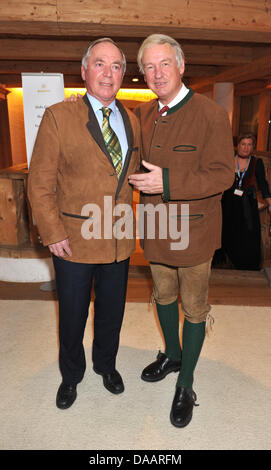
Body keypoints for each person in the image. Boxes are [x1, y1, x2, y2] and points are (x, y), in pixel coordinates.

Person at [128, 34, 235, 428]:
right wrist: (76, 109)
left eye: (164, 64)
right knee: (162, 294)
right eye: (149, 67)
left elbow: (223, 174)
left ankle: (186, 382)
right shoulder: (140, 114)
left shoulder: (209, 114)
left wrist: (168, 183)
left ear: (181, 65)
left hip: (195, 233)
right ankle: (172, 356)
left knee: (193, 307)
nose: (157, 74)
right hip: (155, 229)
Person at [27, 38, 140, 409]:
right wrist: (53, 232)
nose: (108, 73)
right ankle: (71, 376)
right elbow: (39, 183)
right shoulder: (59, 116)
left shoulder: (134, 121)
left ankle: (106, 365)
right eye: (100, 64)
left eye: (116, 66)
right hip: (72, 241)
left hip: (118, 241)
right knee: (72, 316)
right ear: (84, 71)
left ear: (124, 73)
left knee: (112, 312)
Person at [220, 133, 271, 270]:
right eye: (243, 144)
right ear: (237, 146)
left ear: (253, 147)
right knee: (226, 233)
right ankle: (226, 263)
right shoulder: (228, 161)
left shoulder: (256, 162)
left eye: (249, 145)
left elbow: (263, 184)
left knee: (248, 237)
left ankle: (246, 266)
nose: (246, 148)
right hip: (228, 204)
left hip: (247, 205)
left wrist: (269, 202)